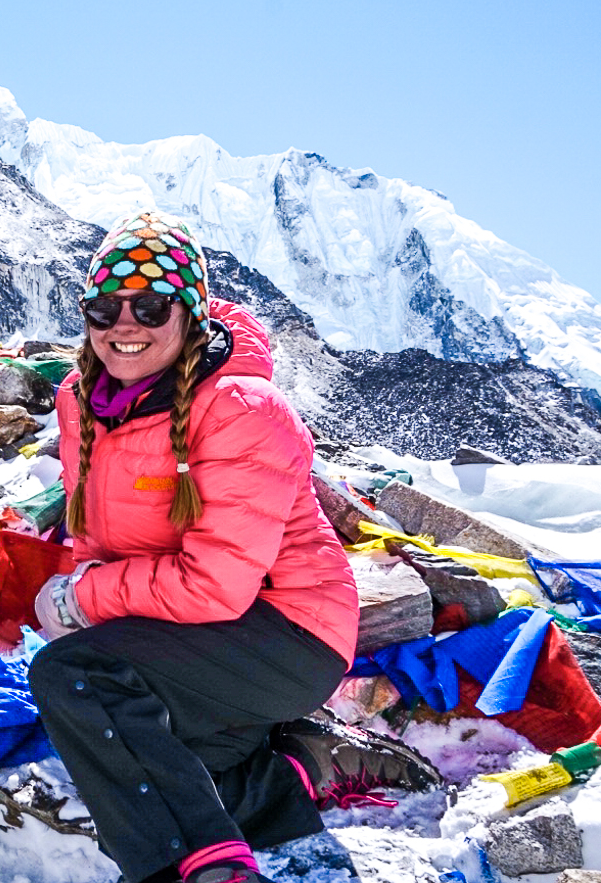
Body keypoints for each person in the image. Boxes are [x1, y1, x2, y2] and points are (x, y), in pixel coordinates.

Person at [28, 213, 438, 883]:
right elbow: (95, 533)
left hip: (287, 632)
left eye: (150, 307)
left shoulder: (241, 407)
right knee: (145, 768)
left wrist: (83, 600)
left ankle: (203, 868)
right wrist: (89, 595)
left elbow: (214, 585)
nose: (124, 325)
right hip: (185, 626)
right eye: (104, 307)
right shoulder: (83, 400)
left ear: (189, 313)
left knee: (75, 679)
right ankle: (300, 770)